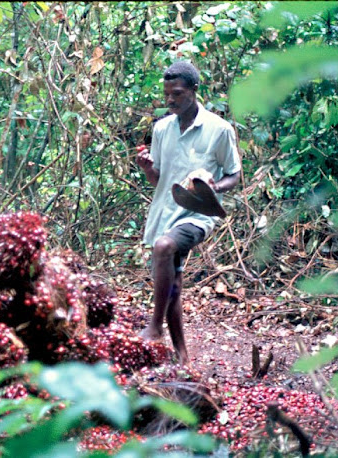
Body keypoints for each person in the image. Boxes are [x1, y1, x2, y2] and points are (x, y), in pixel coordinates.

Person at [136, 61, 241, 365]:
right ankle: (182, 357)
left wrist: (211, 187)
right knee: (173, 283)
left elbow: (234, 174)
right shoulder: (161, 129)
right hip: (165, 212)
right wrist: (147, 169)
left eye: (177, 94)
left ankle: (154, 328)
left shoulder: (219, 130)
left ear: (195, 90)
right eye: (167, 95)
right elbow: (160, 181)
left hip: (199, 213)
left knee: (164, 247)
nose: (170, 100)